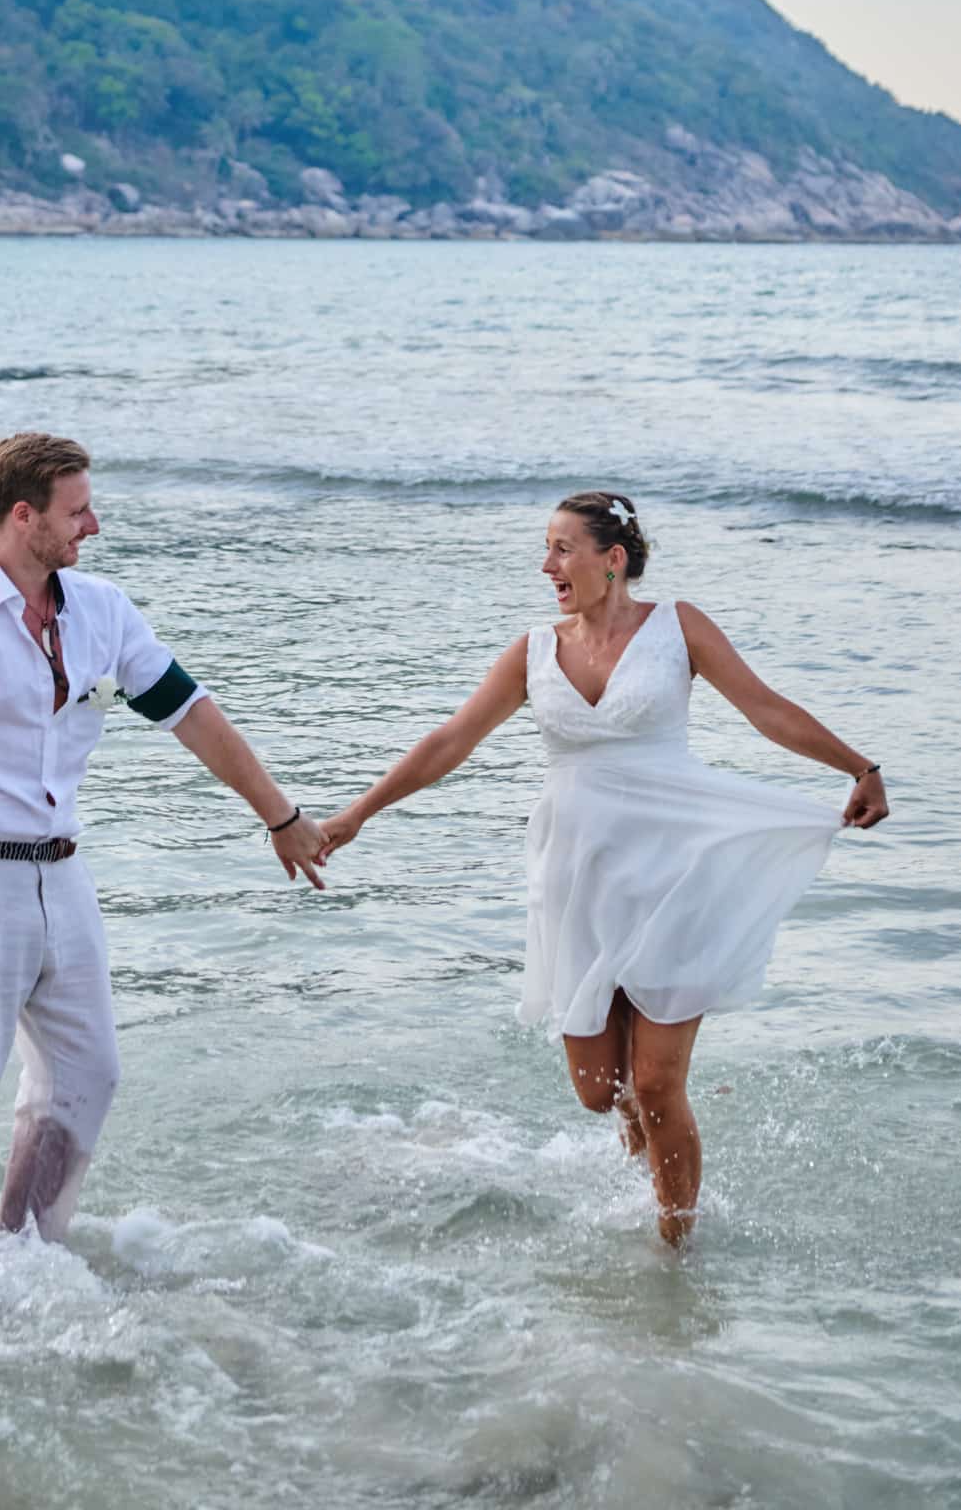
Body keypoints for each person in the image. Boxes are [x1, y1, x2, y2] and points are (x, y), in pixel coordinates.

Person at [319, 489, 888, 1244]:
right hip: (580, 880)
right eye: (547, 548)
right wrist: (356, 814)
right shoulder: (533, 652)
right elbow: (449, 741)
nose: (546, 563)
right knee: (600, 1091)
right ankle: (644, 1153)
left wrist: (859, 766)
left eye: (561, 548)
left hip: (678, 869)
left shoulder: (678, 629)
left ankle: (674, 1248)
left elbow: (767, 708)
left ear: (611, 561)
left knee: (656, 1082)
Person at [0, 431, 328, 1249]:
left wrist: (281, 817)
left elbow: (192, 713)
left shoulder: (103, 610)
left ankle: (24, 1248)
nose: (94, 525)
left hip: (61, 874)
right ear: (25, 517)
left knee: (88, 1074)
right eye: (77, 511)